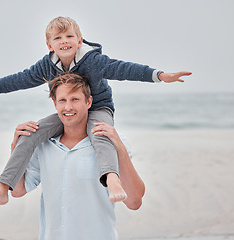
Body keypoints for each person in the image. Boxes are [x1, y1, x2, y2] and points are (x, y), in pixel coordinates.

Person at [0, 16, 191, 211]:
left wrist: (160, 75)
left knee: (100, 134)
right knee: (29, 134)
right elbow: (20, 79)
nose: (64, 41)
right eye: (58, 38)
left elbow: (125, 69)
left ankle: (112, 178)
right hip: (68, 112)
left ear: (79, 40)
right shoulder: (46, 66)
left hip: (99, 108)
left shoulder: (94, 61)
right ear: (50, 45)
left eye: (69, 36)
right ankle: (1, 188)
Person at [10, 74, 145, 240]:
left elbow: (134, 202)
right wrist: (16, 146)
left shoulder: (111, 144)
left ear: (88, 102)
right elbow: (17, 191)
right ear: (55, 104)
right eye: (62, 100)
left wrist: (119, 147)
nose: (68, 107)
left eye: (75, 99)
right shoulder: (44, 145)